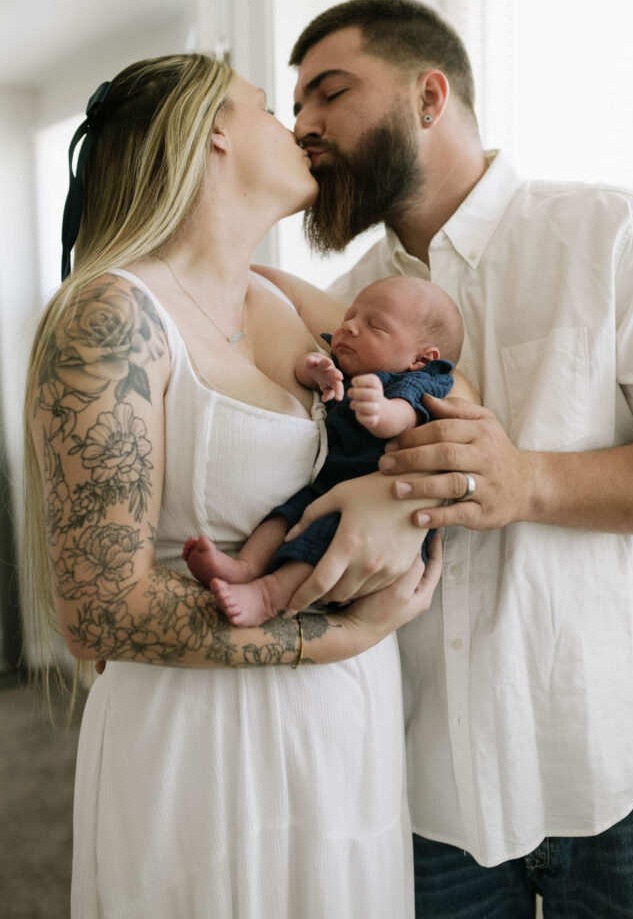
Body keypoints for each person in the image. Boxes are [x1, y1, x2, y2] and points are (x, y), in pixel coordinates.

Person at [22, 53, 444, 919]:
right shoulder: (112, 313)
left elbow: (447, 405)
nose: (296, 127)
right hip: (203, 733)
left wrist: (390, 503)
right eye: (265, 105)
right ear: (213, 129)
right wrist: (329, 636)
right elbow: (96, 609)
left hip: (342, 723)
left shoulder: (283, 302)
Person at [287, 0, 633, 918]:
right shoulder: (339, 310)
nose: (303, 126)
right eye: (295, 108)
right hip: (423, 787)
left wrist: (531, 479)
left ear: (430, 96)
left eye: (330, 93)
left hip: (625, 771)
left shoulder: (615, 237)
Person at [183, 275, 476, 626]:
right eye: (348, 317)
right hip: (328, 487)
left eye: (375, 325)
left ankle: (268, 595)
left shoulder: (416, 383)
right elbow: (303, 374)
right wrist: (314, 371)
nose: (350, 326)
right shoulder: (348, 362)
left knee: (324, 538)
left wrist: (380, 412)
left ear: (421, 358)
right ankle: (243, 567)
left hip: (378, 512)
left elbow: (407, 417)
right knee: (283, 517)